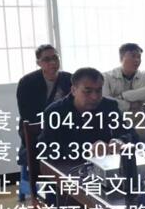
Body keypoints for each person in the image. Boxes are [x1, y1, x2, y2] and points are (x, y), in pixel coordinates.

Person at [37, 67, 136, 161]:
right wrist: (87, 151)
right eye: (87, 91)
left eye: (98, 90)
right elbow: (46, 149)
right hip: (70, 167)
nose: (94, 97)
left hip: (106, 165)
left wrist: (121, 141)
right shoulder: (55, 112)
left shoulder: (109, 106)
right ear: (74, 90)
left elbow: (132, 134)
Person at [15, 44, 72, 200]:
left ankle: (74, 193)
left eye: (55, 58)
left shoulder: (69, 79)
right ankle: (52, 197)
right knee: (48, 152)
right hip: (37, 130)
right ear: (38, 63)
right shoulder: (27, 82)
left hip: (66, 128)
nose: (52, 62)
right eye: (47, 59)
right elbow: (27, 115)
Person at [103, 43, 145, 112]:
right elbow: (105, 102)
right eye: (133, 56)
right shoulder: (107, 77)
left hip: (142, 115)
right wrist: (129, 105)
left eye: (139, 57)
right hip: (117, 116)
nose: (137, 60)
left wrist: (122, 96)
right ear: (121, 58)